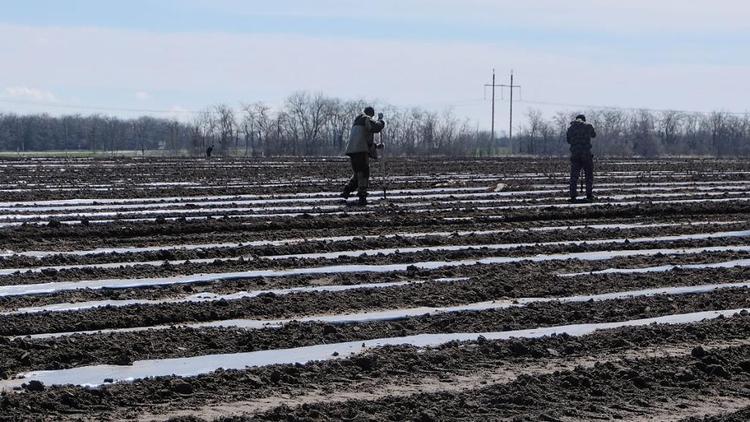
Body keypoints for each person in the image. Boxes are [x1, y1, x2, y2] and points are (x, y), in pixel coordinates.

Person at [341, 107, 385, 206]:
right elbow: (376, 127)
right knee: (364, 172)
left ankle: (346, 190)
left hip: (352, 151)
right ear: (371, 114)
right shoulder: (366, 118)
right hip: (360, 151)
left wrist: (376, 146)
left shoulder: (357, 121)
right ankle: (362, 196)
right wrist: (381, 120)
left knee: (358, 173)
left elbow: (365, 140)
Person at [567, 114, 596, 202]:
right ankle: (589, 194)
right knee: (589, 175)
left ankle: (573, 195)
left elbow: (568, 141)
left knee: (574, 176)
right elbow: (594, 135)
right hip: (586, 154)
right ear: (584, 120)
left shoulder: (570, 128)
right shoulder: (588, 126)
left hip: (575, 154)